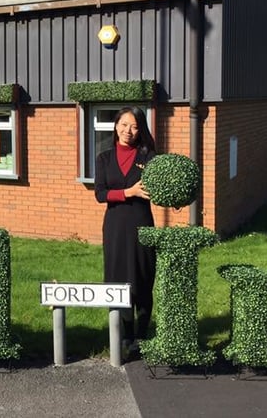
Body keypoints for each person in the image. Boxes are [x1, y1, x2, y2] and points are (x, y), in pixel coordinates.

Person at [94, 106, 157, 356]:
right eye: (123, 124)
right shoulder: (104, 158)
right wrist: (128, 192)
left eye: (134, 126)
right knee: (119, 278)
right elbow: (100, 194)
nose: (128, 131)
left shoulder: (149, 157)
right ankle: (124, 335)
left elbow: (160, 190)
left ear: (140, 130)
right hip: (115, 226)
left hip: (141, 224)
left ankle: (142, 335)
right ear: (116, 126)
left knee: (142, 276)